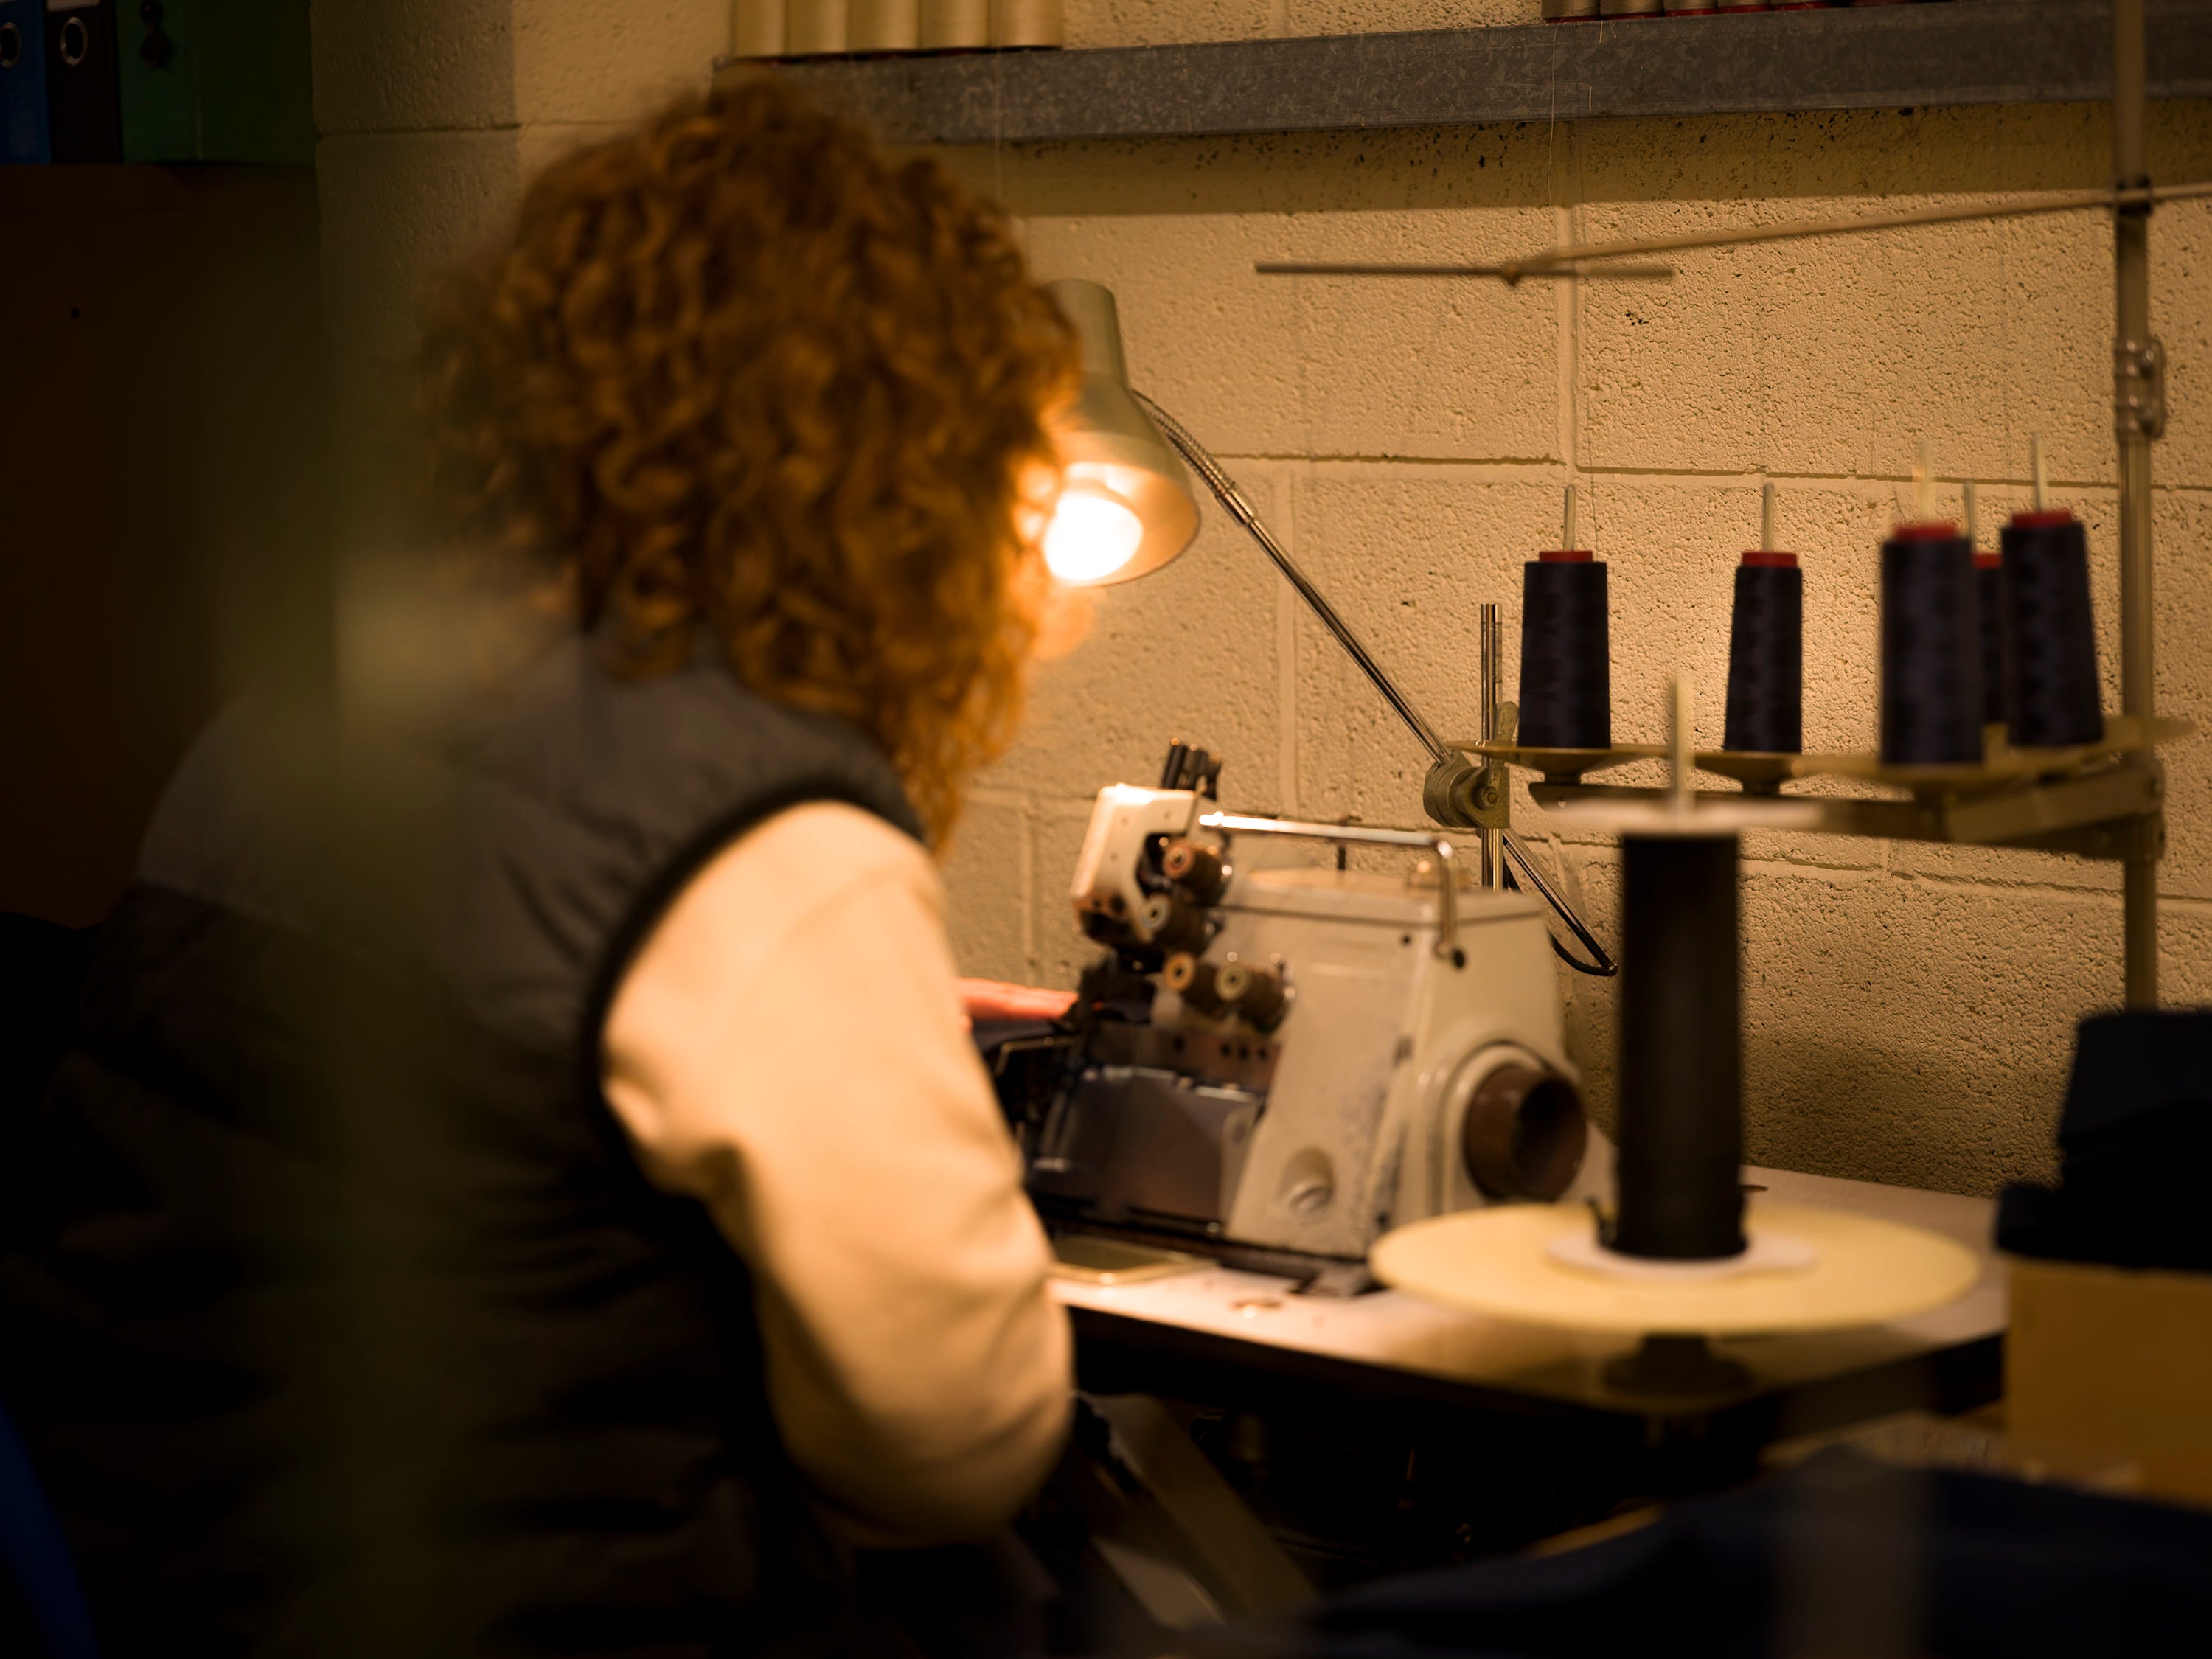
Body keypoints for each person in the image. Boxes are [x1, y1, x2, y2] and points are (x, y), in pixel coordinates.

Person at [0, 78, 1081, 1657]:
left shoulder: (300, 715)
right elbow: (956, 1436)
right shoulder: (766, 837)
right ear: (901, 483)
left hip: (179, 1587)